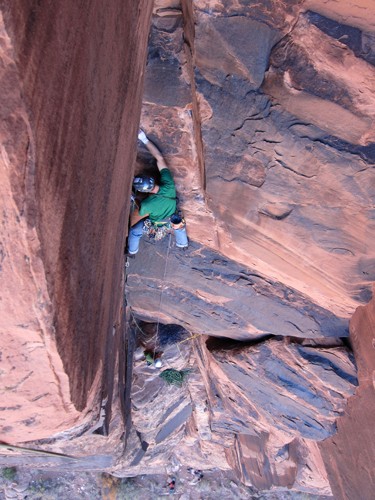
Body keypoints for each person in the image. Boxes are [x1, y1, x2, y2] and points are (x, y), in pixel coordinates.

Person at [127, 130, 188, 256]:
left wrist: (134, 198)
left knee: (135, 231)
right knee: (178, 224)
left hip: (156, 225)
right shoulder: (169, 185)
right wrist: (143, 139)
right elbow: (159, 158)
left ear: (144, 191)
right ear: (152, 180)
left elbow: (140, 210)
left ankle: (132, 251)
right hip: (171, 220)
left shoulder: (148, 204)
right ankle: (183, 244)